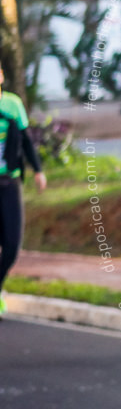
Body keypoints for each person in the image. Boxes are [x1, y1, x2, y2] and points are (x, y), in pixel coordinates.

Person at [0, 66, 47, 319]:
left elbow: (27, 140)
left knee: (12, 246)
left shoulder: (12, 105)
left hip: (10, 183)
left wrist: (38, 171)